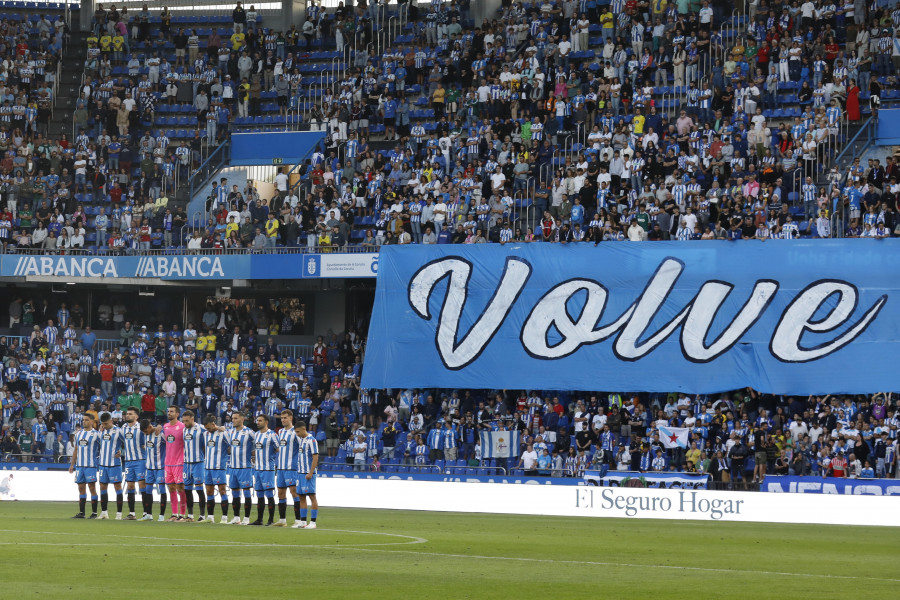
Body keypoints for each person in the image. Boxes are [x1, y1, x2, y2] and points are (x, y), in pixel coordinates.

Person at [68, 413, 100, 519]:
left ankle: (94, 513)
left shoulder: (96, 434)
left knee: (92, 488)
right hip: (80, 466)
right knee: (81, 488)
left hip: (90, 465)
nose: (84, 422)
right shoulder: (78, 434)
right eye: (83, 420)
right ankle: (82, 512)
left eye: (86, 420)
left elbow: (103, 447)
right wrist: (72, 464)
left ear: (92, 421)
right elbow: (76, 450)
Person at [200, 415, 230, 523]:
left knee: (222, 491)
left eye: (209, 428)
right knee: (209, 491)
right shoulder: (205, 434)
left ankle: (224, 518)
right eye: (206, 428)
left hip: (219, 467)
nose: (207, 430)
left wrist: (224, 429)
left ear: (213, 424)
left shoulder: (224, 433)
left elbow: (232, 444)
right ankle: (210, 517)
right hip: (208, 467)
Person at [226, 411, 254, 525]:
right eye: (232, 418)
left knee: (247, 493)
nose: (233, 420)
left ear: (242, 419)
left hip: (244, 467)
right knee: (235, 493)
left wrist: (253, 455)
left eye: (236, 418)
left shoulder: (249, 432)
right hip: (233, 467)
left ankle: (246, 518)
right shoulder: (230, 432)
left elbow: (259, 444)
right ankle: (236, 517)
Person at [96, 412, 125, 520]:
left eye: (106, 424)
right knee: (102, 487)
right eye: (103, 424)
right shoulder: (101, 431)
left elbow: (128, 442)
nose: (105, 426)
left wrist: (121, 451)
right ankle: (104, 512)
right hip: (103, 464)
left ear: (111, 421)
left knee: (117, 487)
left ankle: (119, 514)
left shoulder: (118, 431)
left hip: (114, 464)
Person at [274, 409, 300, 527]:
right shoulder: (280, 432)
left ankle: (299, 520)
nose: (283, 420)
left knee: (294, 493)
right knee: (280, 494)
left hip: (291, 468)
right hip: (281, 468)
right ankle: (282, 520)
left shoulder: (296, 432)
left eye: (285, 418)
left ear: (291, 418)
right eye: (281, 418)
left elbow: (302, 447)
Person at [250, 414, 278, 525]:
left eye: (260, 421)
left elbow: (278, 449)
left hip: (267, 469)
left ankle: (270, 520)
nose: (258, 422)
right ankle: (259, 519)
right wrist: (254, 458)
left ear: (266, 422)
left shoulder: (272, 435)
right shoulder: (256, 435)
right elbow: (255, 450)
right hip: (257, 469)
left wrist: (269, 457)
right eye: (257, 420)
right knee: (259, 495)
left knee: (269, 495)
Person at [120, 407, 146, 520]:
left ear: (136, 417)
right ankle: (132, 513)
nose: (127, 416)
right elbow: (120, 440)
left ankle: (146, 513)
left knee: (142, 486)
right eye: (127, 414)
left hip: (140, 460)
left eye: (130, 414)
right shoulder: (123, 427)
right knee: (130, 486)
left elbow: (146, 442)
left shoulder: (141, 428)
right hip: (128, 461)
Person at [161, 405, 187, 521]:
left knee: (180, 488)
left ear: (177, 414)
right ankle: (174, 514)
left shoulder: (182, 427)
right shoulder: (165, 427)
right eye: (168, 411)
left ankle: (182, 515)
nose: (169, 413)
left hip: (179, 463)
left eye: (171, 411)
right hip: (168, 463)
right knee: (171, 488)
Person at [181, 409, 206, 522]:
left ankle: (202, 515)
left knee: (199, 490)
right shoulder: (183, 430)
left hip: (198, 463)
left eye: (187, 421)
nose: (185, 423)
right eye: (183, 421)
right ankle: (190, 515)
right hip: (186, 464)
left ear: (192, 418)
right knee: (187, 490)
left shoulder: (201, 429)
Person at [293, 420, 319, 529]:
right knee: (301, 497)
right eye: (296, 432)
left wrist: (311, 472)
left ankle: (313, 522)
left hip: (308, 473)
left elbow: (315, 457)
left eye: (298, 432)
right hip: (300, 473)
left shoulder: (311, 440)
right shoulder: (301, 440)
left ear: (304, 429)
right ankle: (303, 521)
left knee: (312, 496)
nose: (297, 434)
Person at [141, 418, 168, 521]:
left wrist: (162, 427)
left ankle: (161, 515)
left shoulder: (160, 434)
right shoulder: (145, 434)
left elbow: (171, 441)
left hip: (160, 467)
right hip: (149, 468)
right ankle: (149, 514)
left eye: (145, 431)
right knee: (147, 491)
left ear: (150, 427)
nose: (145, 433)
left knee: (162, 490)